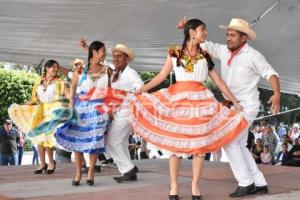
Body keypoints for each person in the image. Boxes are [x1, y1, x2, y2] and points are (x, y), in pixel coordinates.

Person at [127, 19, 248, 200]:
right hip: (177, 100)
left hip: (201, 102)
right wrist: (141, 90)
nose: (205, 33)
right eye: (203, 30)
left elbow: (219, 81)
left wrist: (235, 102)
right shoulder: (174, 52)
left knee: (199, 147)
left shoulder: (205, 55)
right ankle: (174, 186)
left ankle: (195, 185)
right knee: (176, 147)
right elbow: (161, 76)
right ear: (192, 32)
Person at [178, 17, 280, 197]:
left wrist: (277, 94)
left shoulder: (253, 55)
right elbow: (200, 42)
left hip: (246, 105)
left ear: (244, 38)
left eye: (233, 35)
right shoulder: (223, 50)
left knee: (230, 142)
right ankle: (259, 182)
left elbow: (271, 73)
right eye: (227, 35)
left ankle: (246, 183)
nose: (228, 38)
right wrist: (186, 29)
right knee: (239, 144)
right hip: (231, 105)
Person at [80, 39, 143, 183]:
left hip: (127, 110)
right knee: (120, 142)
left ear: (126, 58)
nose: (115, 59)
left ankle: (128, 169)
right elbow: (97, 59)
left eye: (119, 57)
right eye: (114, 57)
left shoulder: (130, 73)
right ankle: (129, 171)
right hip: (117, 111)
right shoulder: (114, 70)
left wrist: (128, 97)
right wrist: (88, 49)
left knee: (110, 141)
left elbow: (140, 86)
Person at [55, 41, 109, 186]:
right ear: (95, 52)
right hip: (81, 109)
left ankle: (91, 171)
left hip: (98, 109)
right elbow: (73, 88)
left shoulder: (107, 70)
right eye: (103, 50)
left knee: (95, 141)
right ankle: (78, 172)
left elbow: (109, 91)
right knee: (77, 141)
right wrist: (71, 108)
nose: (105, 53)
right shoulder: (80, 69)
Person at [8, 60, 68, 174]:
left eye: (57, 67)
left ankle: (51, 162)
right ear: (46, 68)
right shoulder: (39, 81)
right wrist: (24, 105)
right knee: (38, 139)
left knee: (47, 138)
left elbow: (66, 96)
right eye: (53, 67)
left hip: (53, 111)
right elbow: (35, 99)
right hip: (41, 111)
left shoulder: (60, 81)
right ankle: (42, 163)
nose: (55, 69)